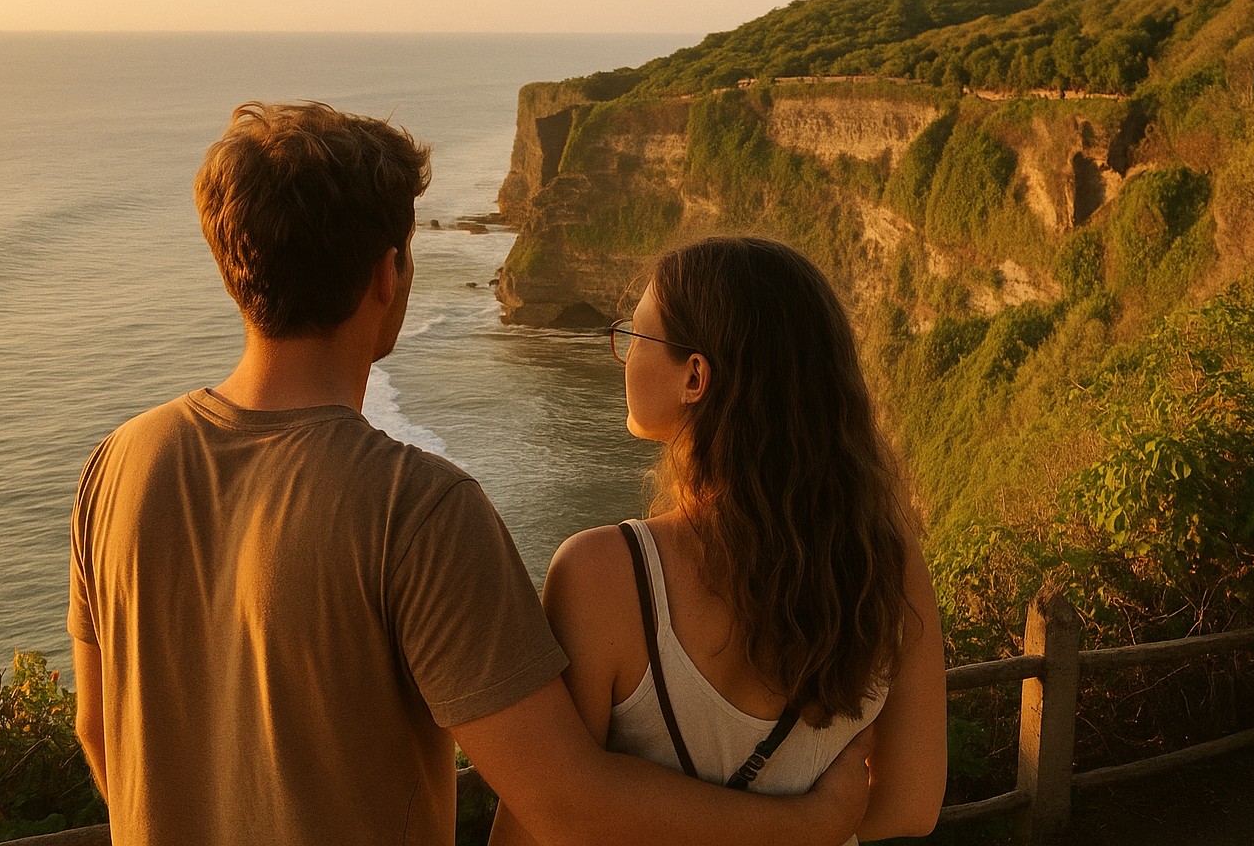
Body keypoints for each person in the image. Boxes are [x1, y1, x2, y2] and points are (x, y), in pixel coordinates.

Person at [68, 103, 877, 846]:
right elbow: (563, 801)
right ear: (389, 276)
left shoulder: (117, 466)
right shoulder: (417, 510)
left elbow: (100, 735)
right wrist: (809, 823)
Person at [489, 237, 948, 846]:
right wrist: (816, 823)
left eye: (637, 337)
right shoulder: (886, 564)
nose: (623, 356)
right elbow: (911, 807)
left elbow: (537, 825)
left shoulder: (604, 575)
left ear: (696, 376)